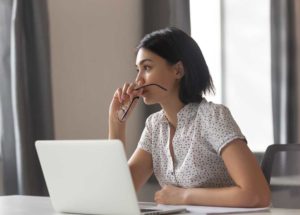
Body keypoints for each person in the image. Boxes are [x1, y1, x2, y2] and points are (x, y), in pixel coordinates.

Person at [108, 27, 270, 207]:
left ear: (178, 70)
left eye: (147, 68)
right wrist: (117, 123)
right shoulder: (154, 126)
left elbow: (257, 194)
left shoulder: (212, 117)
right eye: (137, 69)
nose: (138, 80)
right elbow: (119, 192)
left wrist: (185, 196)